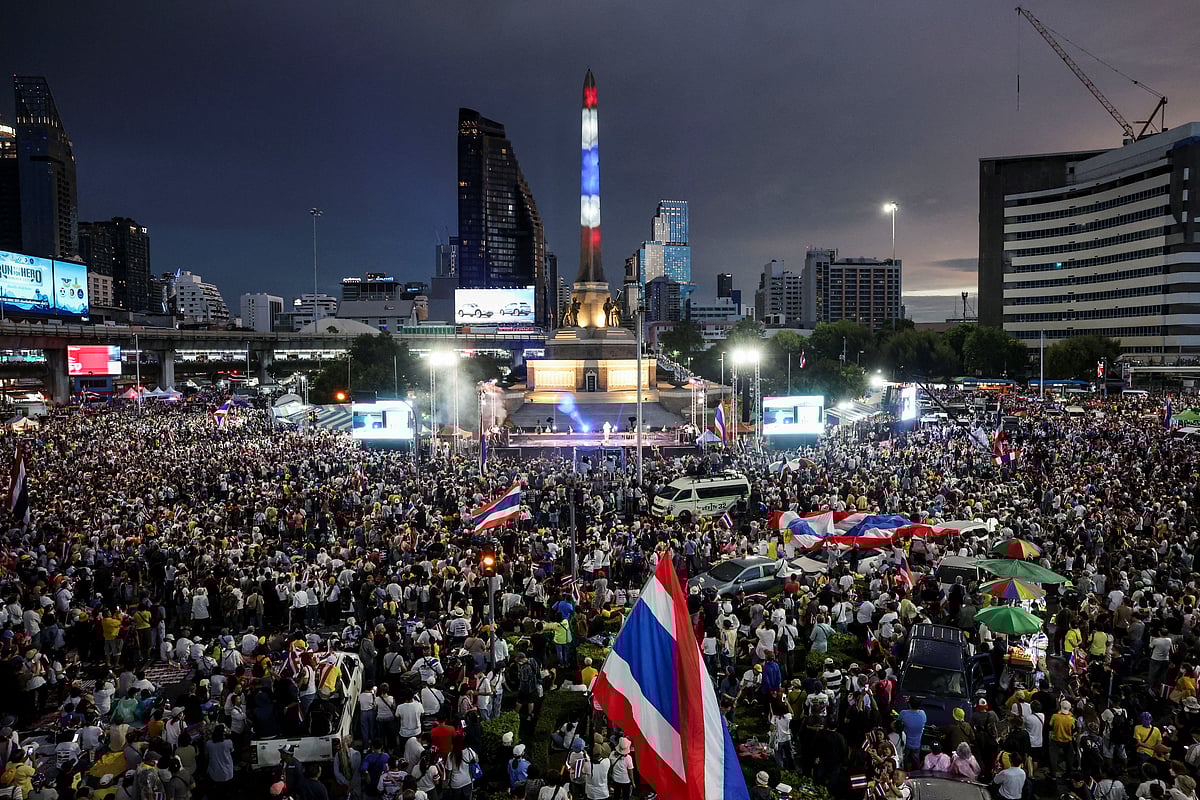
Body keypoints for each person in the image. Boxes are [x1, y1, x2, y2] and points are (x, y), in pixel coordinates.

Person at [897, 697, 927, 769]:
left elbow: (898, 723)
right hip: (917, 744)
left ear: (909, 704)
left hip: (905, 744)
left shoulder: (903, 713)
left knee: (904, 763)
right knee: (916, 763)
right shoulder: (923, 714)